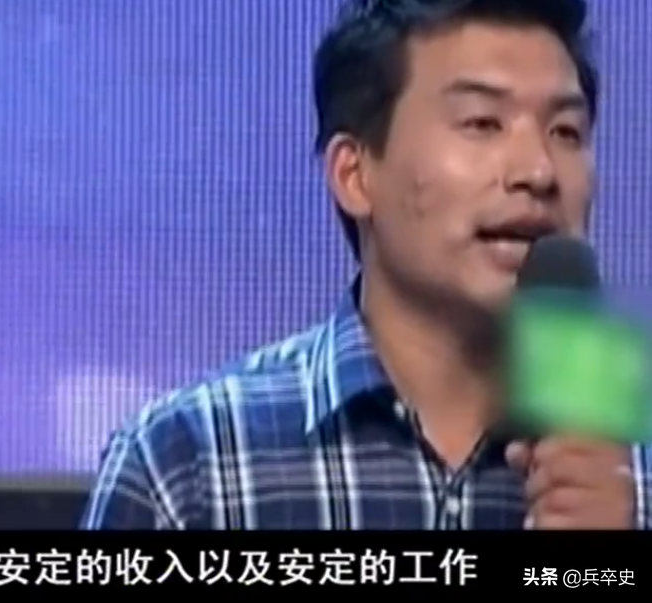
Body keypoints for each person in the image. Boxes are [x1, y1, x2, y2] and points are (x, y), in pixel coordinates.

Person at [81, 0, 651, 530]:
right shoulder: (189, 465)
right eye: (482, 123)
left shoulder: (631, 466)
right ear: (354, 175)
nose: (539, 171)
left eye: (566, 131)